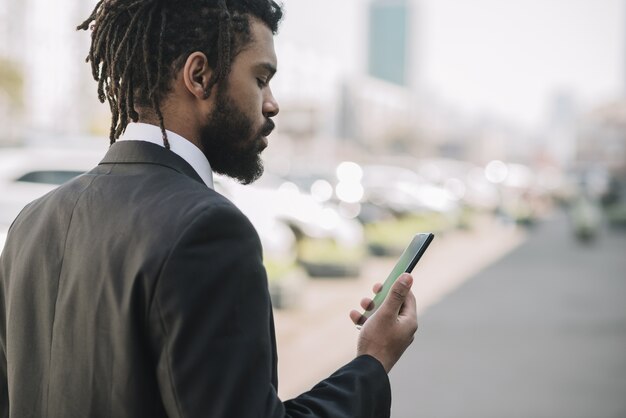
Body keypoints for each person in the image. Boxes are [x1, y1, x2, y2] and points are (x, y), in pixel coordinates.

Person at [0, 0, 418, 416]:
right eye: (261, 78)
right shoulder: (208, 228)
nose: (271, 103)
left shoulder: (30, 223)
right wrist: (373, 362)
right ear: (199, 76)